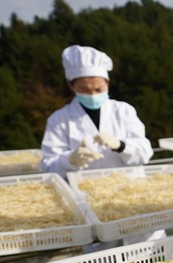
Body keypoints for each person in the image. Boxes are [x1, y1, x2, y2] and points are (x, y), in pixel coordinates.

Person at [40, 45, 154, 176]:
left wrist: (121, 145)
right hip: (83, 190)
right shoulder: (58, 120)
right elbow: (49, 166)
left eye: (99, 89)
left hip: (128, 186)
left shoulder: (124, 111)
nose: (92, 95)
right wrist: (70, 159)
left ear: (107, 82)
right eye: (84, 89)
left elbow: (144, 154)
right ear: (70, 84)